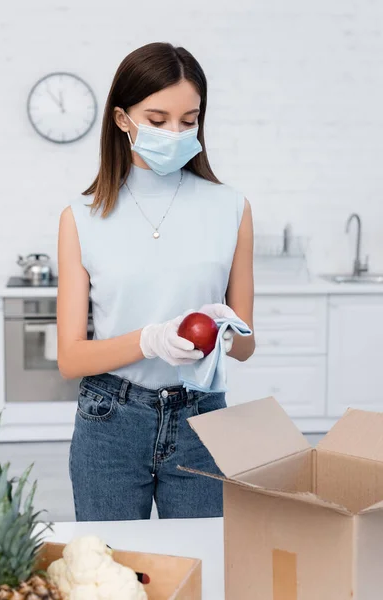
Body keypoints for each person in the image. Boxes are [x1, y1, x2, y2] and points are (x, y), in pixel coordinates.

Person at [57, 42, 255, 521]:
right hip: (110, 423)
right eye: (158, 118)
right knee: (111, 574)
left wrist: (225, 326)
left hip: (203, 421)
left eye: (190, 121)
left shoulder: (232, 208)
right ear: (123, 118)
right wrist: (151, 340)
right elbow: (70, 358)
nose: (175, 133)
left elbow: (246, 347)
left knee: (201, 575)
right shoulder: (81, 218)